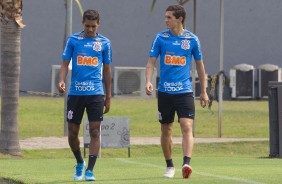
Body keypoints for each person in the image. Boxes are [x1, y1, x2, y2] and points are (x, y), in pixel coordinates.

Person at [145, 5, 209, 179]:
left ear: (179, 19)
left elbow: (200, 67)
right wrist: (148, 81)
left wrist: (204, 91)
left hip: (185, 91)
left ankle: (186, 163)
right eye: (165, 17)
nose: (165, 20)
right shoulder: (160, 38)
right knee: (167, 129)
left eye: (169, 17)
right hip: (165, 92)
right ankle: (169, 166)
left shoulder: (192, 39)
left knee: (186, 125)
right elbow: (151, 62)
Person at [58, 9, 112, 181]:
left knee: (95, 131)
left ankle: (90, 170)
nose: (90, 29)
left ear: (98, 24)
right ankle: (79, 162)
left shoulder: (104, 43)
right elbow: (65, 64)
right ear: (83, 23)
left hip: (96, 93)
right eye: (87, 26)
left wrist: (108, 96)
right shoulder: (73, 40)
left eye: (93, 26)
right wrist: (61, 80)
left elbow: (107, 70)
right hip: (75, 93)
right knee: (72, 133)